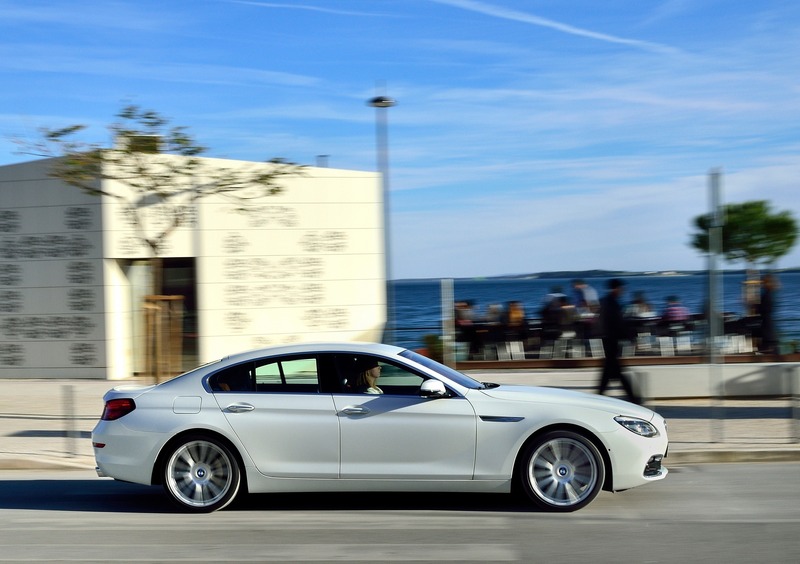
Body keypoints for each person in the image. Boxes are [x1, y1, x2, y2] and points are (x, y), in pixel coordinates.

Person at [596, 278, 639, 403]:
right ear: (616, 289)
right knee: (615, 369)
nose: (623, 291)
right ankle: (633, 398)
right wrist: (630, 338)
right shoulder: (612, 303)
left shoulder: (605, 302)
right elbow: (618, 323)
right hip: (611, 339)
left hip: (607, 338)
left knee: (610, 370)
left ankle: (599, 395)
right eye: (621, 289)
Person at [758, 273, 779, 354]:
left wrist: (753, 305)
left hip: (768, 331)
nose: (762, 284)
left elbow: (762, 310)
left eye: (763, 282)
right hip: (770, 331)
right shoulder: (770, 294)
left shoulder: (766, 296)